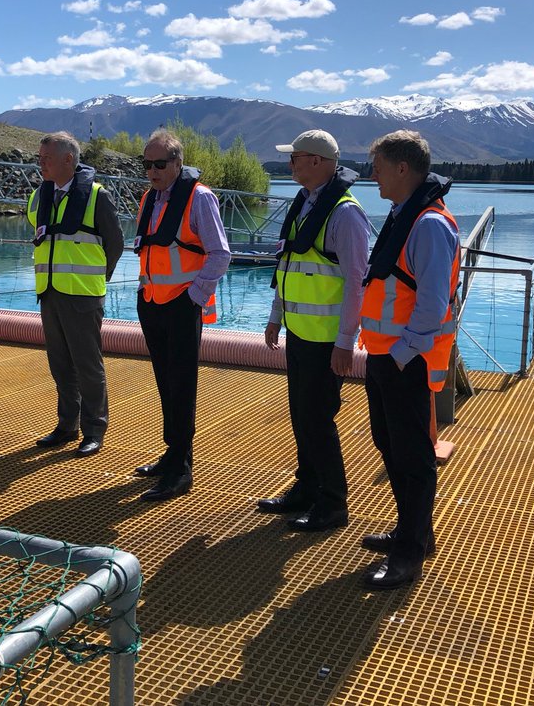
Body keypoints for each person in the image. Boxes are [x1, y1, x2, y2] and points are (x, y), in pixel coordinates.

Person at [358, 130, 459, 589]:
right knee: (390, 445)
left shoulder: (429, 225)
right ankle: (413, 530)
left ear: (403, 169)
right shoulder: (405, 215)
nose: (371, 174)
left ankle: (409, 554)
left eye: (378, 165)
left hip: (406, 361)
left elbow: (434, 300)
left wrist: (401, 353)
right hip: (385, 356)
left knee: (413, 456)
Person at [258, 130, 370, 533]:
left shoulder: (345, 214)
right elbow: (286, 266)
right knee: (301, 417)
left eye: (296, 158)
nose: (290, 164)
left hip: (326, 341)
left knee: (318, 420)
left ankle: (333, 503)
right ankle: (306, 488)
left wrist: (345, 342)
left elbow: (357, 283)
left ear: (319, 162)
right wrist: (276, 316)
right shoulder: (305, 204)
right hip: (300, 333)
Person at [132, 129, 231, 501]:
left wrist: (194, 297)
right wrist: (143, 291)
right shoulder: (149, 198)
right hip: (152, 303)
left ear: (177, 163)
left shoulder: (200, 199)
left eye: (159, 164)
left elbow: (220, 254)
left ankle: (181, 469)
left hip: (181, 306)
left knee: (182, 386)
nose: (152, 171)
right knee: (165, 383)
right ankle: (171, 453)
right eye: (147, 165)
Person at [27, 131, 124, 457]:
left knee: (87, 366)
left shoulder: (97, 196)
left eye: (47, 159)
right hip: (50, 293)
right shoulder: (39, 196)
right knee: (61, 366)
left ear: (68, 159)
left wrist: (98, 279)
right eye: (40, 158)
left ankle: (94, 429)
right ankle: (66, 425)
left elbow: (116, 244)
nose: (41, 164)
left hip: (82, 297)